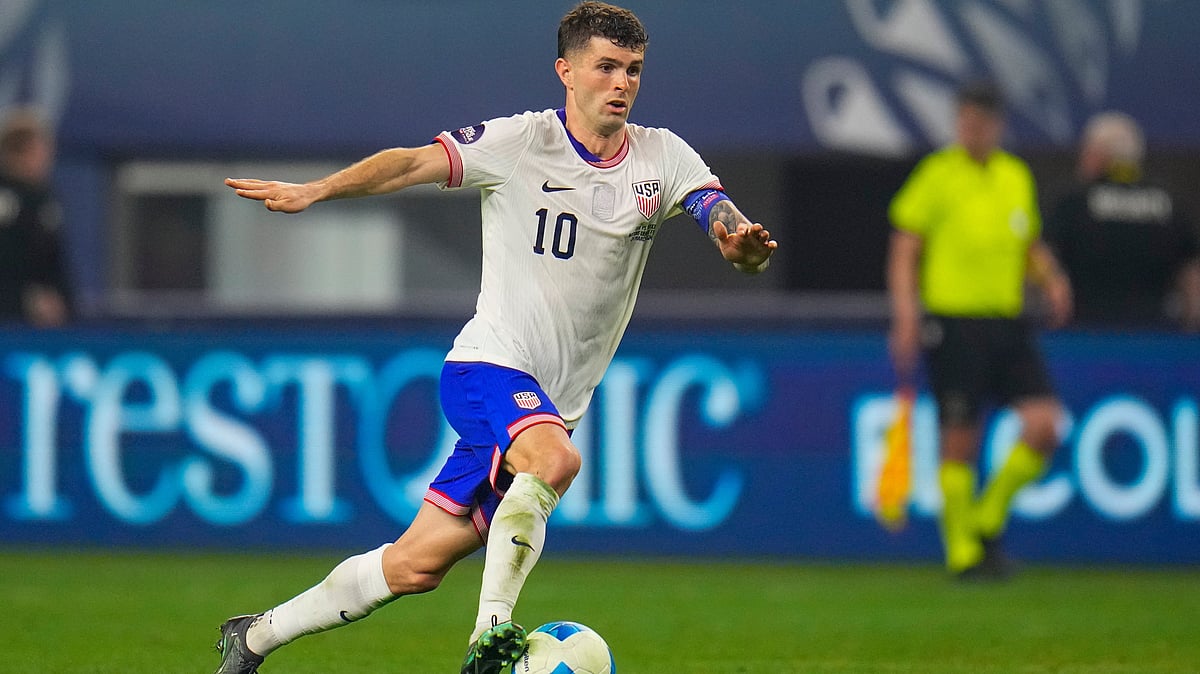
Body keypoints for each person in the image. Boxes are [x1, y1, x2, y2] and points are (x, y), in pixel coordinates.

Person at [215, 3, 777, 673]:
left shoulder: (663, 156)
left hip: (549, 404)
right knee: (556, 462)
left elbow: (722, 217)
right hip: (490, 367)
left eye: (632, 70)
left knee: (415, 564)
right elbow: (410, 163)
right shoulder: (521, 143)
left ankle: (254, 637)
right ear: (566, 71)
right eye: (605, 68)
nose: (621, 83)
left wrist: (743, 247)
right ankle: (489, 636)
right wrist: (318, 190)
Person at [885, 81, 1072, 581]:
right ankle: (962, 553)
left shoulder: (1015, 175)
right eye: (964, 121)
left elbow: (1027, 241)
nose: (970, 131)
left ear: (997, 126)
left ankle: (986, 519)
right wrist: (906, 315)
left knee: (1044, 424)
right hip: (953, 322)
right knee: (960, 439)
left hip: (1007, 322)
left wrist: (1051, 279)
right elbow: (906, 249)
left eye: (979, 123)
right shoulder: (937, 174)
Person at [1045, 111, 1200, 331]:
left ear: (1098, 155)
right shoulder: (1170, 203)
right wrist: (1191, 322)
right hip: (1156, 335)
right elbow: (1191, 272)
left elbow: (1046, 258)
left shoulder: (1074, 202)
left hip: (1085, 334)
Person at [0, 106, 72, 327]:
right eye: (40, 150)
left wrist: (62, 301)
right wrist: (23, 301)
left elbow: (56, 263)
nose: (47, 157)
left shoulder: (45, 200)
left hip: (44, 325)